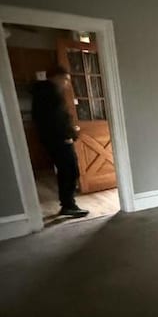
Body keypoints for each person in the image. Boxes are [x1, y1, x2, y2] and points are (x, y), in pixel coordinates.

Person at [31, 66, 89, 218]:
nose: (66, 84)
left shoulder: (46, 93)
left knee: (68, 171)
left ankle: (68, 204)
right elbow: (56, 120)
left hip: (55, 139)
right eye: (65, 80)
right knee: (70, 171)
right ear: (56, 77)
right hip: (59, 140)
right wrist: (69, 134)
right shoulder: (48, 94)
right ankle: (68, 205)